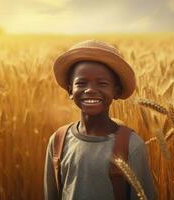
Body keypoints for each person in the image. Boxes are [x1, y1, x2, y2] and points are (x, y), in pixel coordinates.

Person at [44, 40, 156, 200]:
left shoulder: (131, 146)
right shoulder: (57, 141)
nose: (90, 89)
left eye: (102, 83)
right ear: (70, 90)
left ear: (116, 91)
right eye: (81, 83)